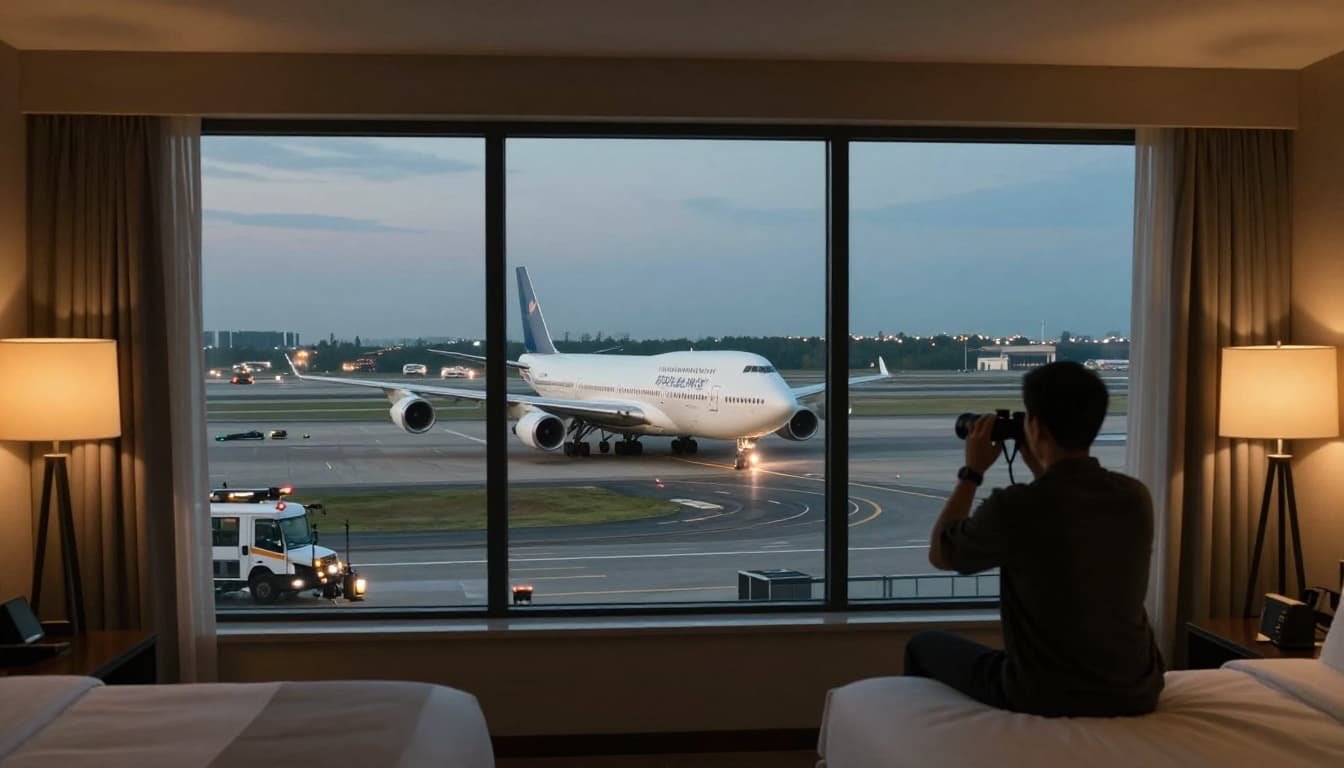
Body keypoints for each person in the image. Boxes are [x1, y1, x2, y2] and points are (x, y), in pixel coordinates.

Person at [908, 360, 1165, 717]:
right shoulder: (1135, 496)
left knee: (923, 646)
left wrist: (972, 472)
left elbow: (942, 554)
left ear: (1036, 427)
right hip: (1137, 690)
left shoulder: (1016, 507)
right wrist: (1044, 465)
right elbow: (1068, 508)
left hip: (1044, 692)